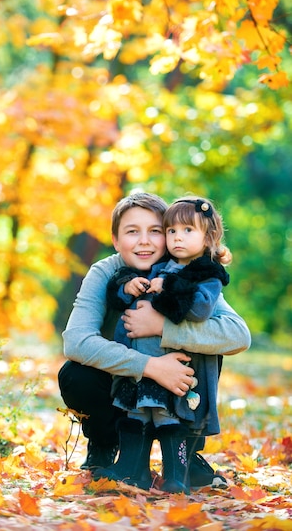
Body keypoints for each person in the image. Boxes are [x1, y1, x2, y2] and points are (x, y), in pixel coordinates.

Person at [58, 192, 251, 491]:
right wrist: (150, 366)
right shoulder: (106, 271)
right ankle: (105, 444)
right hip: (121, 385)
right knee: (75, 374)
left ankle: (185, 456)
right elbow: (76, 342)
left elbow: (237, 334)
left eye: (156, 231)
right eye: (132, 232)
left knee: (210, 344)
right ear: (115, 239)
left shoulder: (189, 272)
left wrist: (163, 327)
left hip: (179, 388)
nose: (144, 241)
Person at [95, 196, 232, 493]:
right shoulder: (161, 266)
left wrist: (167, 290)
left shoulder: (207, 274)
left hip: (176, 364)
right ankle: (131, 470)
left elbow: (199, 310)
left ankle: (177, 477)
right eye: (171, 231)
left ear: (208, 237)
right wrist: (128, 287)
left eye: (187, 231)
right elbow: (121, 298)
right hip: (141, 363)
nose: (177, 238)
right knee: (137, 413)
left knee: (169, 416)